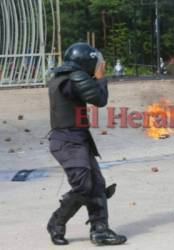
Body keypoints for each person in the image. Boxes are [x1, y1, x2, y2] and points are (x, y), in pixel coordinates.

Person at [47, 43, 127, 246]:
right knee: (84, 186)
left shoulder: (64, 78)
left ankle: (100, 231)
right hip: (67, 142)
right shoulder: (73, 78)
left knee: (97, 186)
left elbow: (84, 93)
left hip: (77, 140)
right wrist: (100, 78)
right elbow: (99, 99)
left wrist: (95, 78)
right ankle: (56, 222)